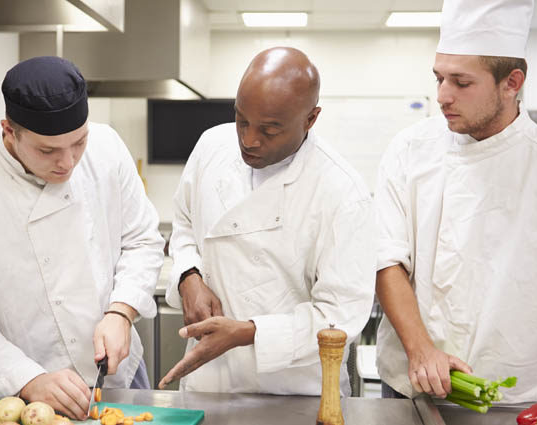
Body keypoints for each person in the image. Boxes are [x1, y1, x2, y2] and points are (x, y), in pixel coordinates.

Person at [375, 0, 537, 414]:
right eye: (439, 77)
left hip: (506, 396)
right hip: (407, 388)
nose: (442, 95)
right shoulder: (409, 151)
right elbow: (386, 261)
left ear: (512, 82)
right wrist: (422, 351)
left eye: (461, 82)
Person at [0, 56, 164, 420]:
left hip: (119, 374)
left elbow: (142, 240)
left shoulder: (107, 147)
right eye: (47, 151)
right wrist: (28, 378)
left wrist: (122, 312)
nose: (67, 163)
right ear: (8, 131)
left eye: (78, 143)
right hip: (27, 392)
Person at [158, 47, 376, 395]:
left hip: (297, 393)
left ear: (311, 119)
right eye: (241, 120)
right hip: (211, 385)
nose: (248, 140)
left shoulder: (342, 193)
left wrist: (248, 333)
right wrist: (189, 276)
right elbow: (185, 225)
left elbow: (340, 316)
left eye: (270, 130)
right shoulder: (212, 146)